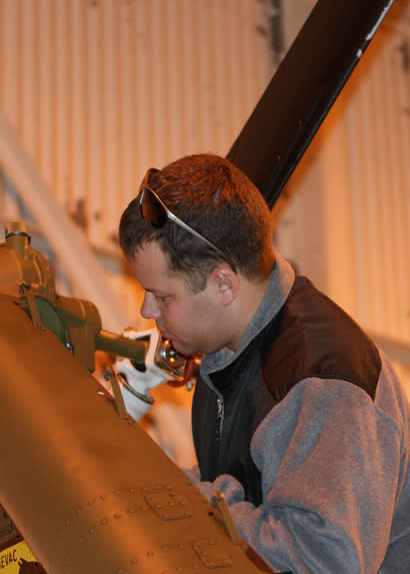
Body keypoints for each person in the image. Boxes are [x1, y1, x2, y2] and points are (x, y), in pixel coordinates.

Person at [119, 154, 410, 574]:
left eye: (162, 296)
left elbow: (323, 559)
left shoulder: (325, 380)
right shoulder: (227, 356)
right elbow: (251, 484)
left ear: (224, 285)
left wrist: (191, 504)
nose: (147, 311)